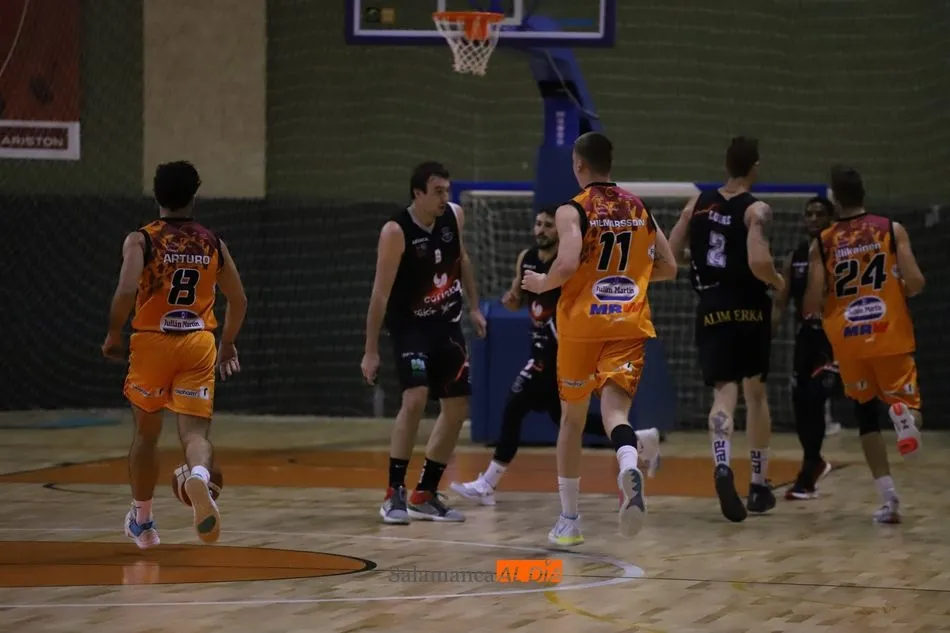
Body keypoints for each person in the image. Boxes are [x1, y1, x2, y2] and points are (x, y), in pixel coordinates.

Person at [521, 132, 675, 546]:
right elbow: (669, 266)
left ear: (579, 164)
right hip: (627, 322)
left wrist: (541, 283)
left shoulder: (572, 209)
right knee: (615, 413)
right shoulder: (638, 207)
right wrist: (631, 278)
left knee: (572, 421)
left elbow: (568, 263)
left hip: (581, 327)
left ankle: (570, 521)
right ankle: (628, 463)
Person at [451, 208, 661, 506]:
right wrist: (511, 300)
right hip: (539, 348)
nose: (541, 230)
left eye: (548, 225)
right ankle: (637, 441)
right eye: (538, 223)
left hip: (562, 351)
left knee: (514, 407)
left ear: (560, 231)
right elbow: (517, 298)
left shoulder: (568, 264)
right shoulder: (526, 258)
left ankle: (488, 484)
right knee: (564, 419)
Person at [101, 161, 247, 548]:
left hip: (152, 342)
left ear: (156, 195)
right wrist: (228, 343)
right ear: (193, 196)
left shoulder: (141, 240)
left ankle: (143, 523)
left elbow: (125, 291)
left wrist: (114, 332)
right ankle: (198, 475)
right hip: (198, 342)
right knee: (195, 434)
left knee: (146, 436)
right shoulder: (212, 242)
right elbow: (239, 299)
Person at [361, 161, 487, 524]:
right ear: (418, 193)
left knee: (458, 407)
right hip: (411, 329)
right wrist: (371, 350)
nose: (444, 198)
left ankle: (425, 493)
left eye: (447, 191)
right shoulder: (395, 231)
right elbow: (379, 295)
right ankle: (394, 492)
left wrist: (474, 307)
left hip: (447, 325)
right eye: (437, 192)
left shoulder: (454, 216)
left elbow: (462, 260)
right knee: (415, 399)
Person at [667, 136, 783, 523]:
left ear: (725, 164)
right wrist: (778, 281)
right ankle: (759, 485)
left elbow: (670, 255)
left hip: (711, 306)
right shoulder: (757, 209)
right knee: (756, 393)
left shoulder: (696, 203)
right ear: (755, 167)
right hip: (749, 306)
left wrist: (700, 260)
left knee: (724, 394)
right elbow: (758, 261)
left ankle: (721, 463)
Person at [803, 165, 924, 524]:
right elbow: (916, 282)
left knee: (865, 416)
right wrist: (895, 287)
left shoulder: (822, 242)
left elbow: (812, 302)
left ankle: (889, 500)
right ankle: (904, 418)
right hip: (889, 331)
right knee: (907, 405)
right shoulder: (891, 230)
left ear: (835, 199)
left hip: (848, 341)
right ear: (863, 193)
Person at [772, 196, 841, 499]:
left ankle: (809, 469)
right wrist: (767, 336)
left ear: (831, 219)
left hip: (834, 338)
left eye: (819, 214)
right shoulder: (796, 256)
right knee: (800, 402)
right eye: (809, 214)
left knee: (815, 395)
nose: (813, 219)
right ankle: (813, 462)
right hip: (806, 338)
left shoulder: (840, 253)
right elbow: (780, 302)